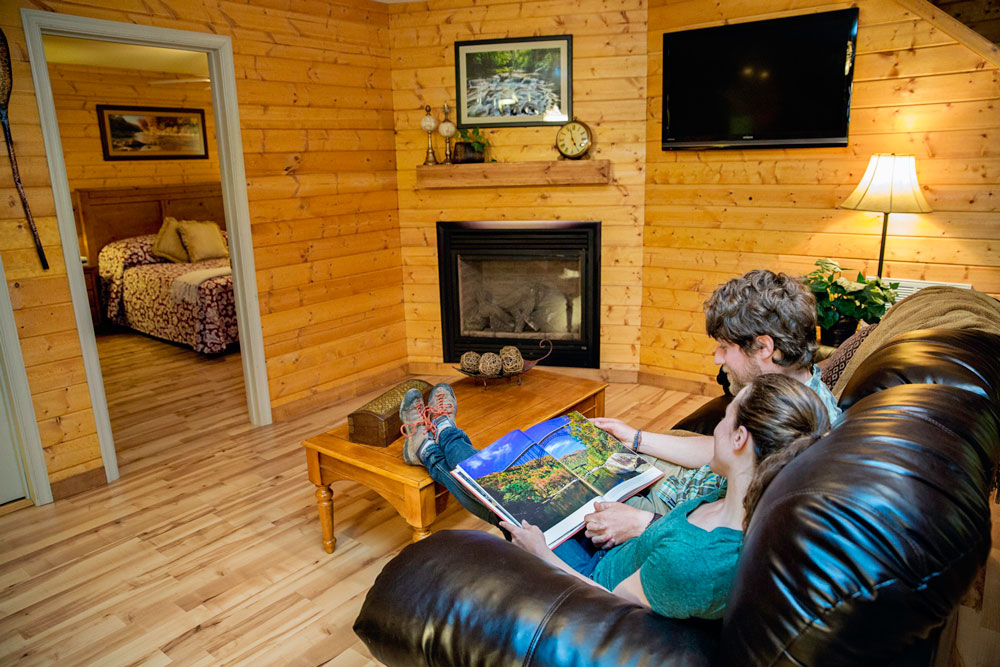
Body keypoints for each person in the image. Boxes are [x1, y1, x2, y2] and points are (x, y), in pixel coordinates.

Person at [403, 374, 830, 619]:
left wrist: (538, 554)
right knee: (522, 472)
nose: (715, 427)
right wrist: (641, 522)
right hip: (624, 545)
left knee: (499, 493)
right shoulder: (748, 494)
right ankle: (432, 442)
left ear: (740, 438)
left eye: (725, 416)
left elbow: (606, 603)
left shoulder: (697, 563)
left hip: (594, 572)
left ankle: (436, 440)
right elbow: (669, 539)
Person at [583, 269, 842, 549]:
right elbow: (726, 448)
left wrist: (643, 523)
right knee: (584, 449)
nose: (717, 357)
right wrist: (635, 438)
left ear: (764, 347)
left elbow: (737, 544)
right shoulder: (783, 394)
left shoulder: (802, 427)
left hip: (670, 516)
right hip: (680, 486)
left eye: (724, 346)